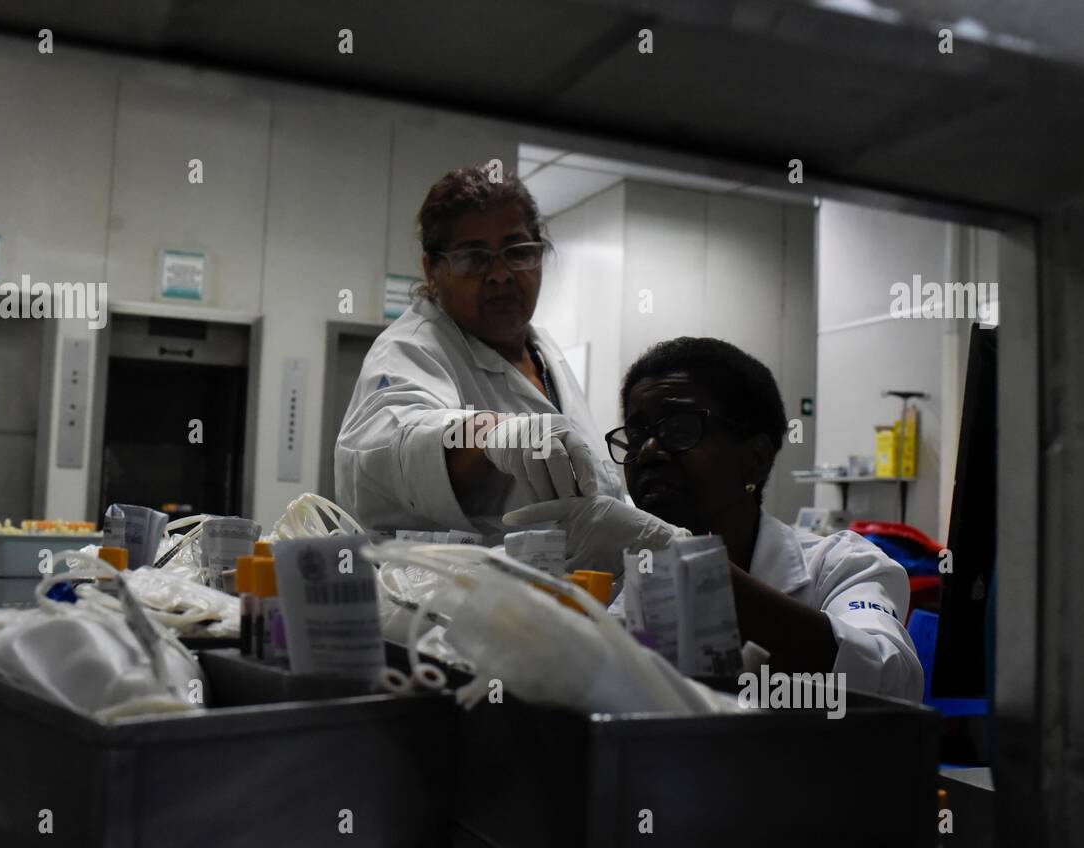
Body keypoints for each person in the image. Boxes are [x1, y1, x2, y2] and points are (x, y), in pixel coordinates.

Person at [504, 336, 923, 702]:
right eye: (636, 435)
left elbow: (890, 682)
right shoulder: (609, 570)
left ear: (755, 460)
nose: (648, 450)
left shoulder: (840, 567)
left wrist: (681, 557)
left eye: (681, 429)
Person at [335, 166, 621, 537]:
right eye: (473, 258)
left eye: (517, 253)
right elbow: (388, 449)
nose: (500, 275)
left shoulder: (546, 352)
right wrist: (493, 436)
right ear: (432, 270)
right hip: (455, 591)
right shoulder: (409, 348)